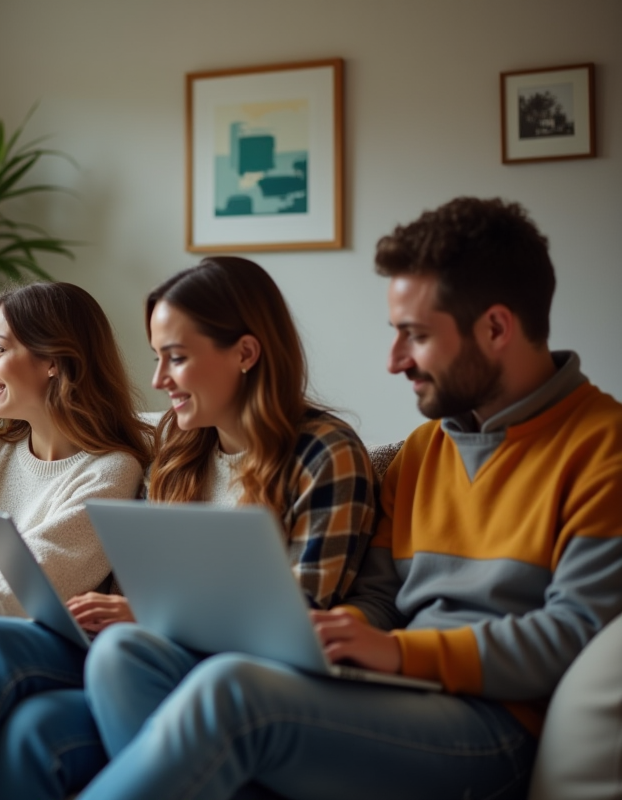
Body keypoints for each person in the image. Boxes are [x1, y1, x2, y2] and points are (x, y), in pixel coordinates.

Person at [75, 197, 622, 800]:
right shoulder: (424, 451)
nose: (394, 361)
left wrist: (394, 653)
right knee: (125, 656)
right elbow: (379, 594)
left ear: (495, 328)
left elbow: (572, 632)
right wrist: (334, 634)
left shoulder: (603, 449)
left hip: (492, 725)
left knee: (232, 690)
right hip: (392, 691)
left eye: (414, 336)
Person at [0, 257, 378, 800]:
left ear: (246, 354)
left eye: (175, 359)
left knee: (27, 691)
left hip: (219, 673)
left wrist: (150, 614)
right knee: (25, 714)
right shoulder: (180, 450)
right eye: (159, 358)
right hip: (137, 650)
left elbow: (303, 612)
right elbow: (134, 584)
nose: (157, 381)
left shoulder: (324, 452)